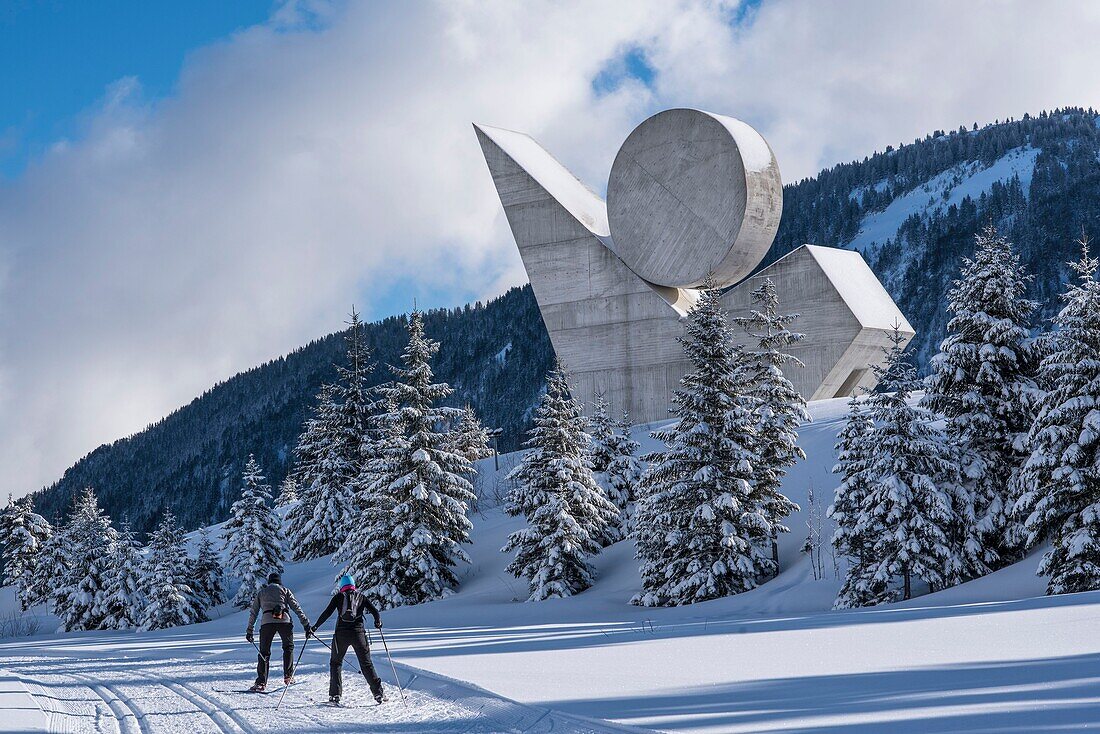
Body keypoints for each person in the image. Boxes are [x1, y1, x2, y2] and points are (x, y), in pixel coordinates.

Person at [311, 573, 385, 705]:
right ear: (353, 585)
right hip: (359, 634)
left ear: (341, 586)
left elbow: (327, 613)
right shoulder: (361, 597)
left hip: (341, 635)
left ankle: (335, 695)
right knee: (367, 664)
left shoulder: (339, 597)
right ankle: (378, 693)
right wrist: (377, 622)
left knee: (336, 663)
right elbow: (375, 612)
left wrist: (315, 627)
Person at [245, 572, 312, 692]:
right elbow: (296, 608)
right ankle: (288, 676)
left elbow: (253, 612)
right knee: (288, 648)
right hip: (285, 622)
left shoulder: (261, 593)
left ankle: (261, 682)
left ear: (269, 582)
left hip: (267, 623)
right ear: (279, 582)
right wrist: (306, 625)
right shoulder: (285, 591)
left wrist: (250, 630)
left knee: (264, 652)